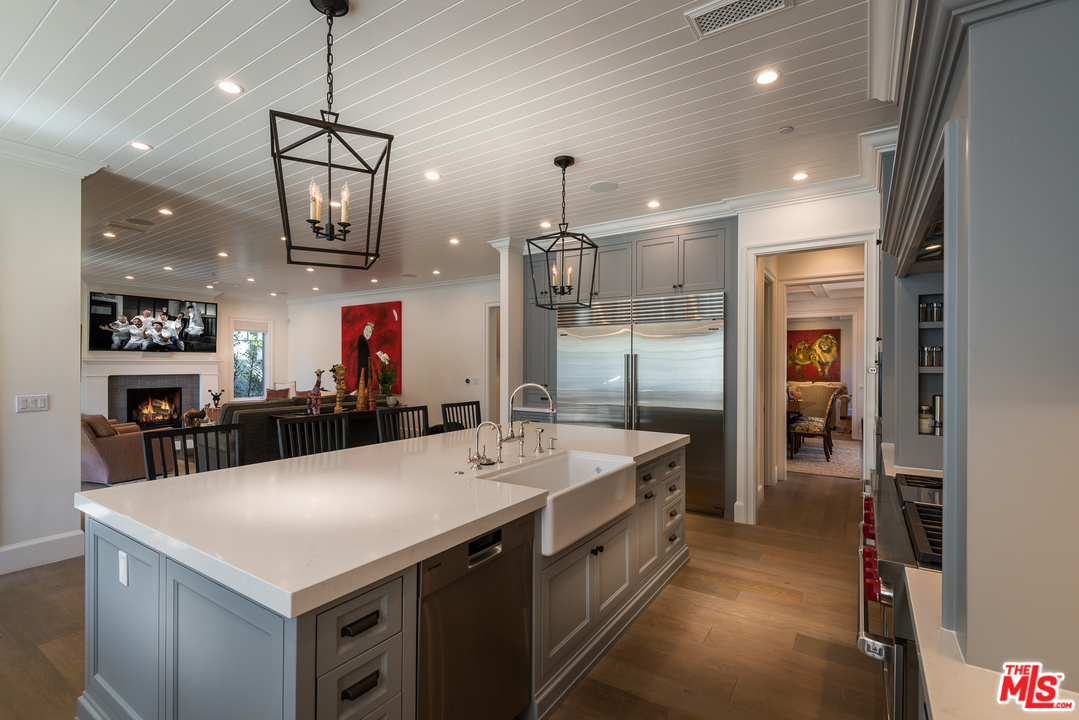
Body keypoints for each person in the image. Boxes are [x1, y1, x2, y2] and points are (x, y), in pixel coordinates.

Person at [355, 322, 374, 390]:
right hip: (363, 367)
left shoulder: (364, 341)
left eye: (370, 332)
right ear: (363, 330)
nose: (368, 333)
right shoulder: (361, 340)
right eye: (367, 330)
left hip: (364, 367)